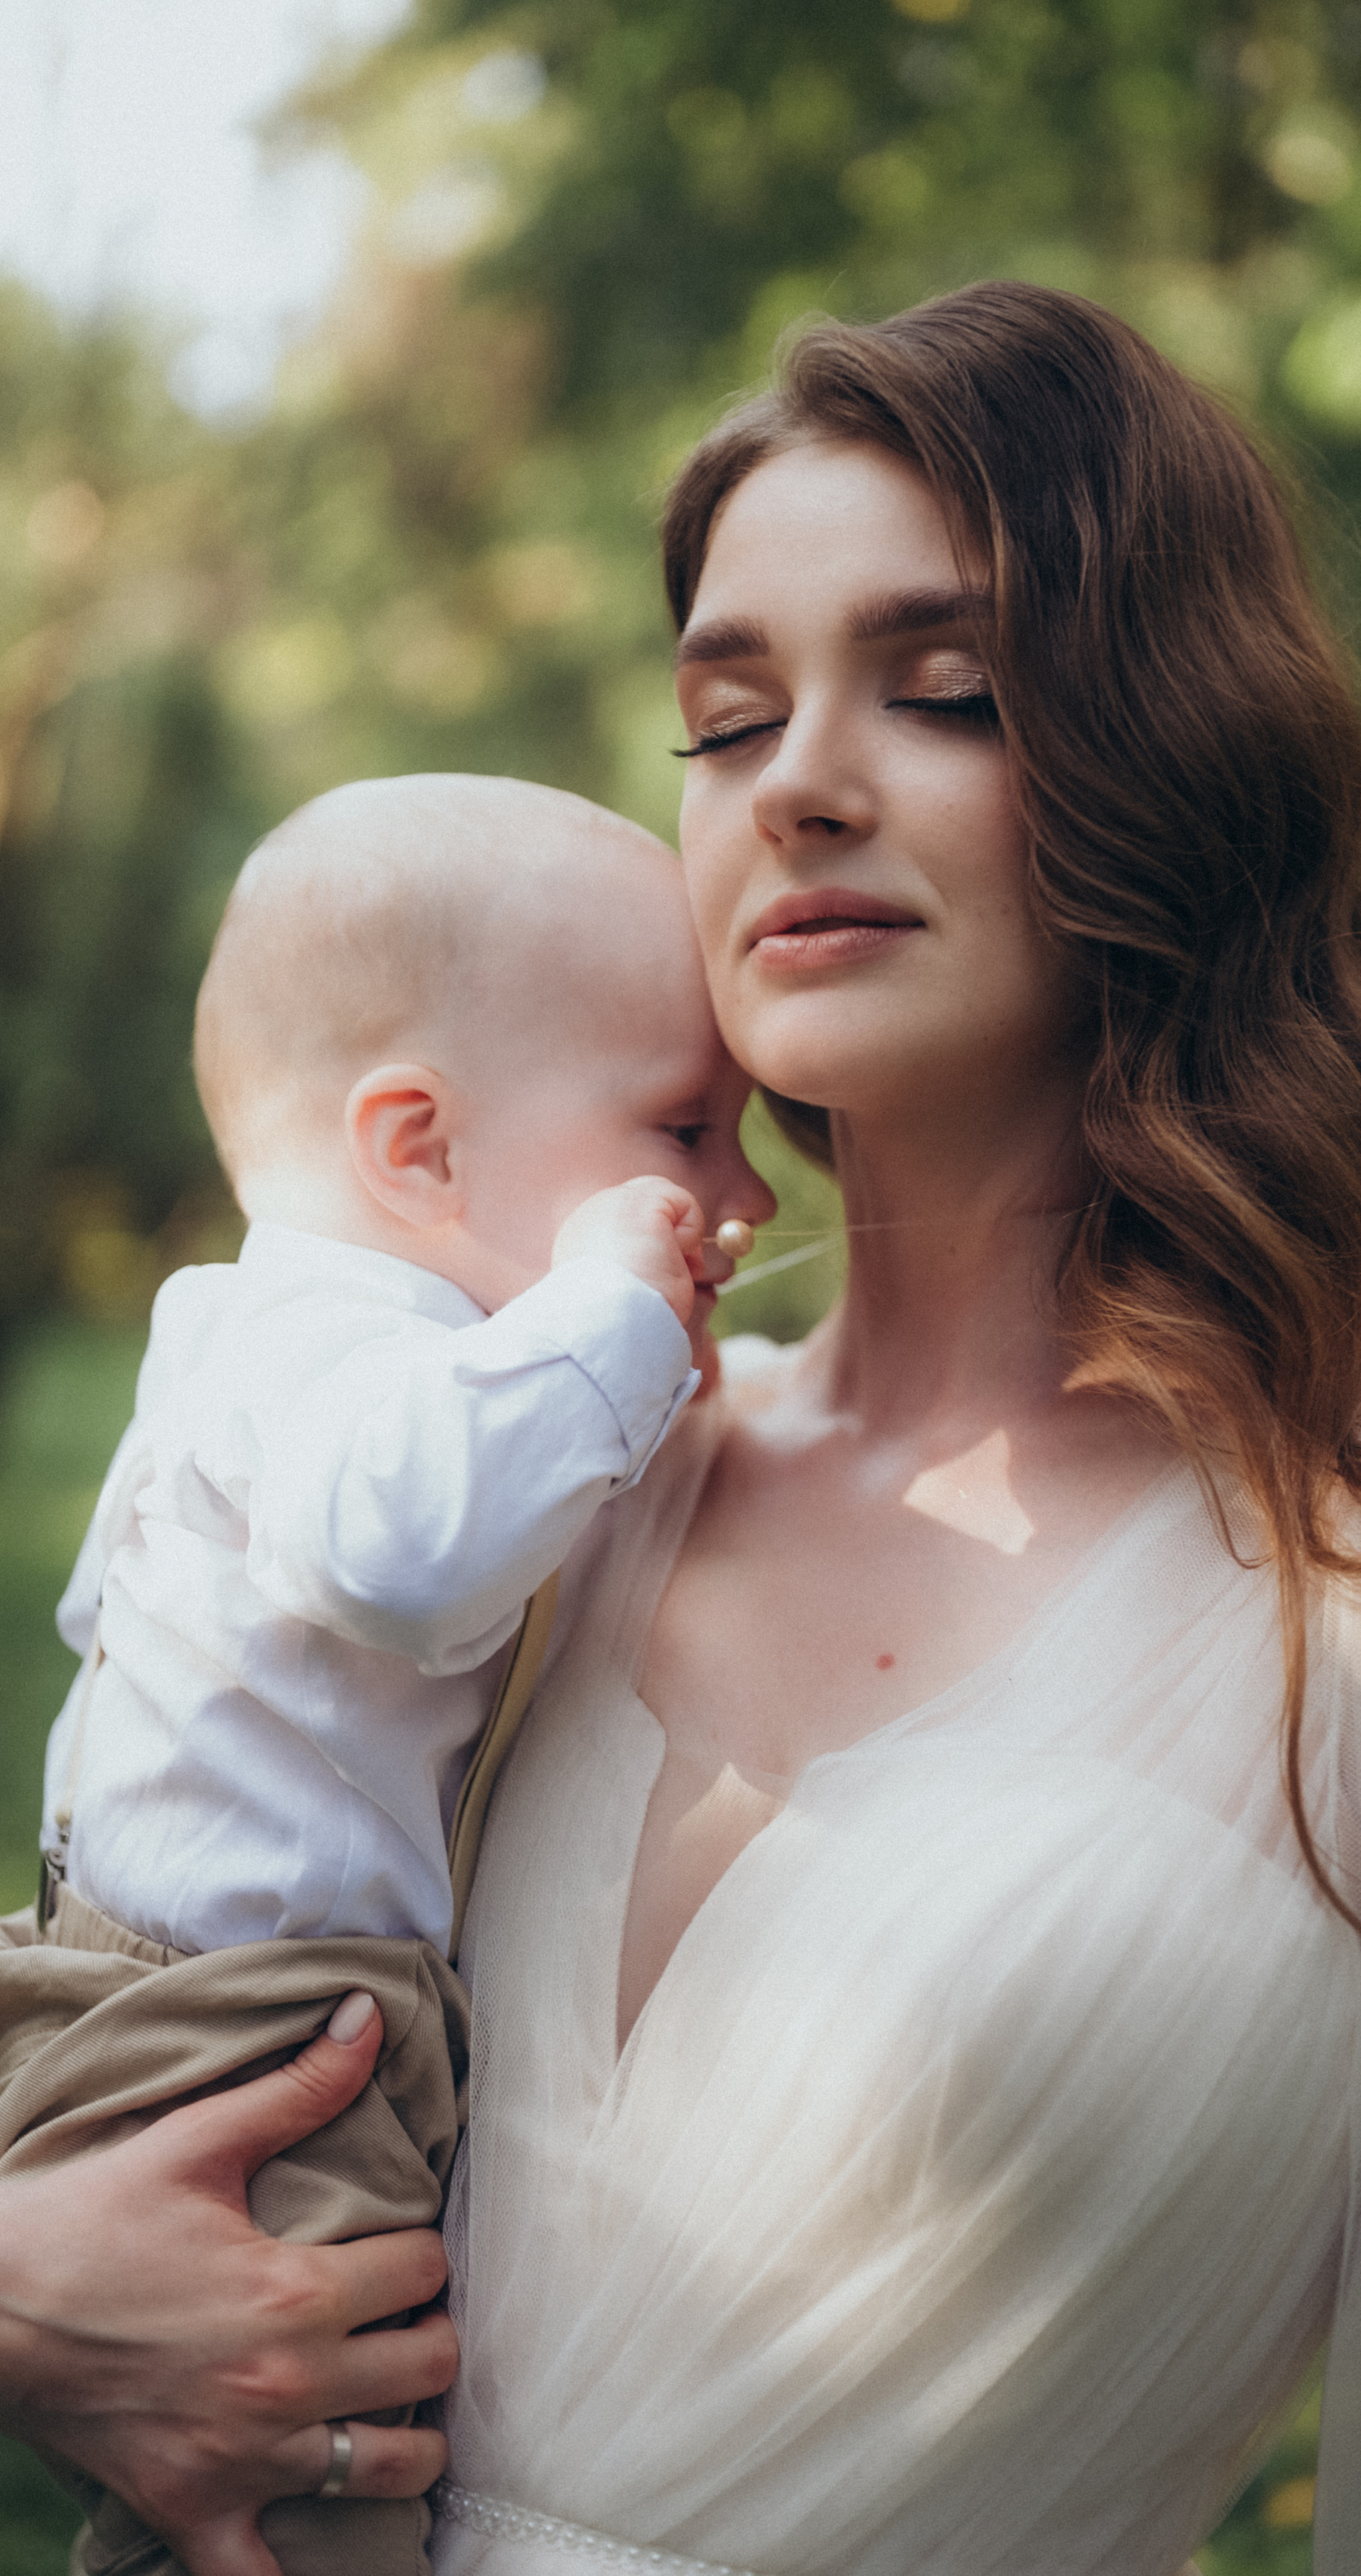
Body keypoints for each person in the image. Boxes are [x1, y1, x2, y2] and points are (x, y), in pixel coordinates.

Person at [1, 283, 1361, 2576]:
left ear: (1175, 760)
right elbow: (160, 1880)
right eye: (728, 718)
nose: (800, 778)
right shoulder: (568, 1470)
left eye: (948, 689)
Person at [0, 772, 772, 2576]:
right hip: (247, 2029)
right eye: (683, 1128)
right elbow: (398, 1554)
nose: (738, 1196)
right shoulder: (342, 1348)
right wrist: (608, 1320)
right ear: (416, 1150)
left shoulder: (287, 1344)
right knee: (305, 2478)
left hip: (189, 1990)